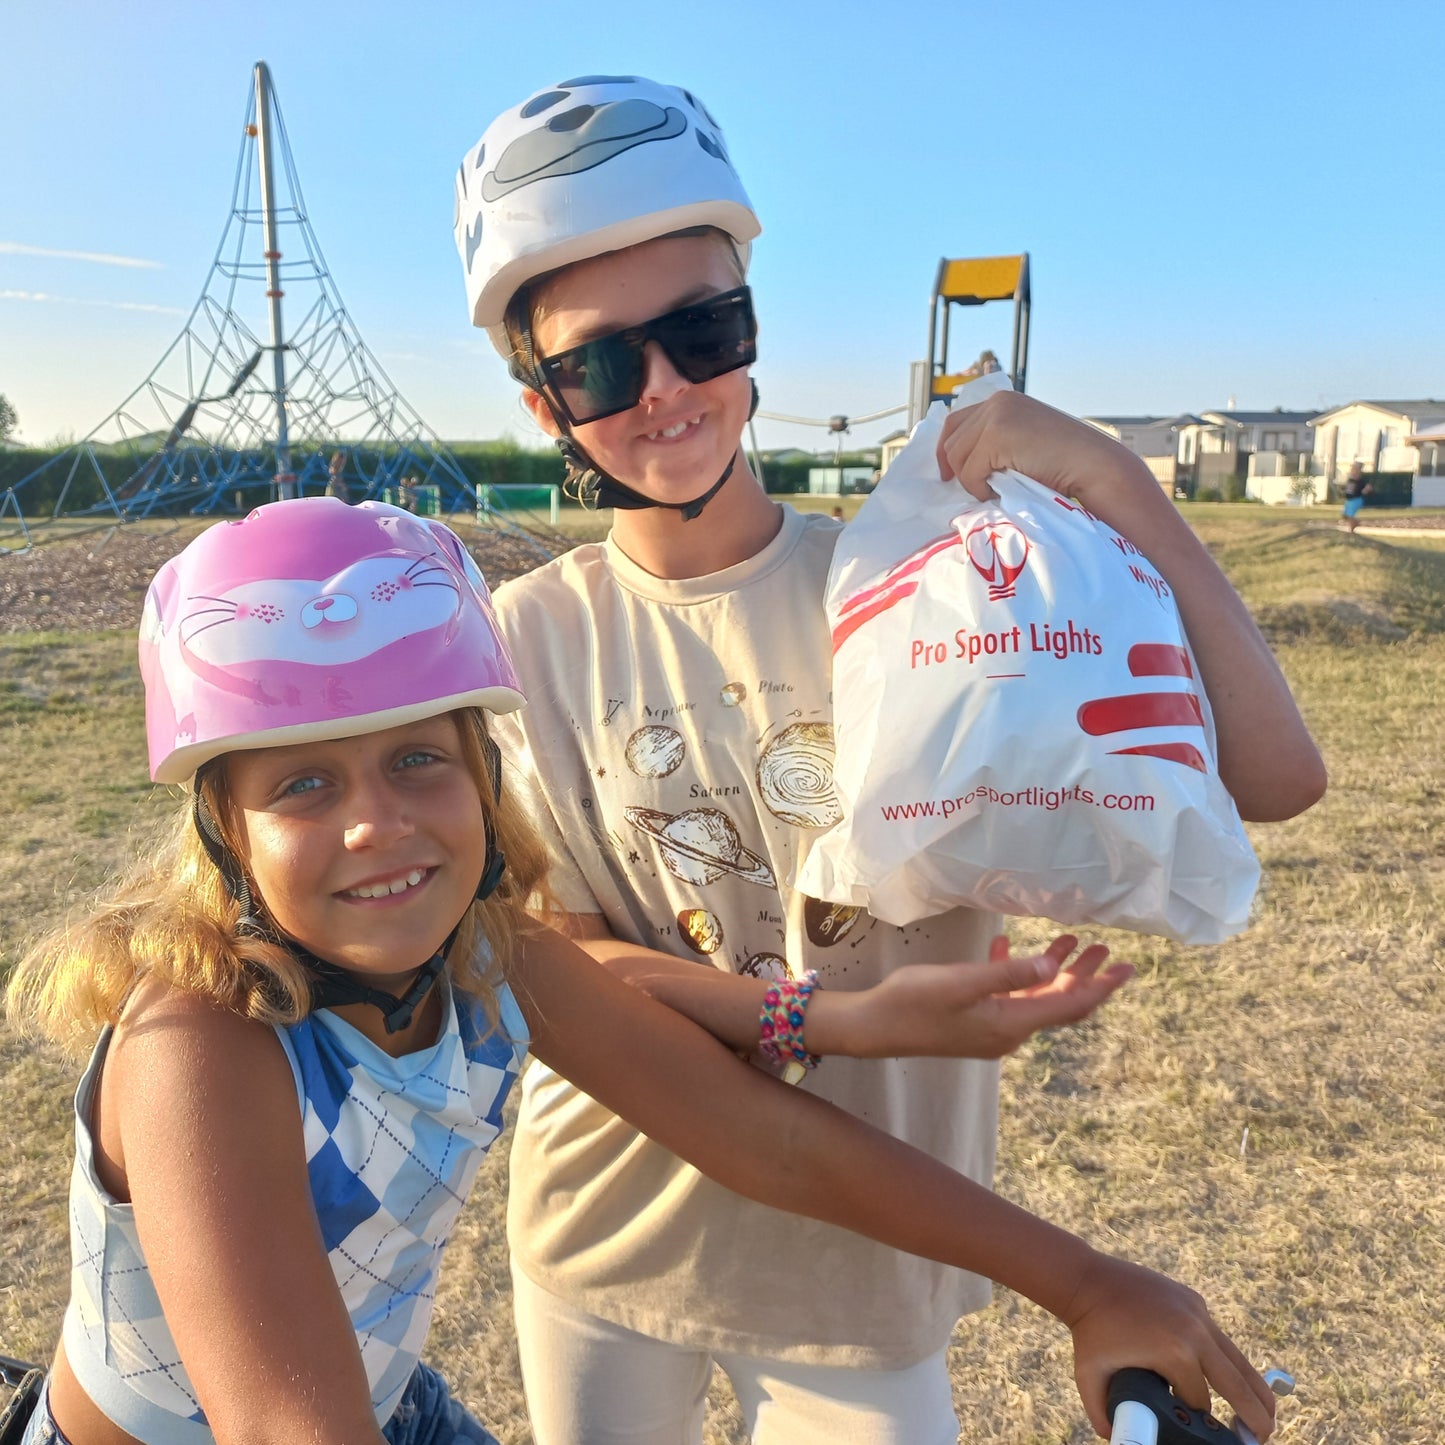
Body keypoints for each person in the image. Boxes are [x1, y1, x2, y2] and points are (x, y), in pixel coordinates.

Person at [452, 75, 1324, 1445]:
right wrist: (834, 1018)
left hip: (870, 1263)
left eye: (701, 328)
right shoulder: (519, 641)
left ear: (753, 324)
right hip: (608, 1241)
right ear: (538, 397)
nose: (665, 390)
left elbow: (1271, 779)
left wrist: (1117, 483)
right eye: (600, 364)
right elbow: (561, 951)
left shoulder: (927, 580)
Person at [4, 496, 1251, 1445]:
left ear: (486, 778)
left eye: (419, 763)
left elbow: (767, 1141)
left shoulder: (493, 956)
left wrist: (1086, 1281)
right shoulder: (199, 1046)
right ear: (224, 829)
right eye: (304, 785)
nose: (377, 822)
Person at [1340, 461, 1372, 533]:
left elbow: (1369, 487)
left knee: (1350, 515)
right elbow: (1348, 487)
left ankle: (1352, 531)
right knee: (1344, 515)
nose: (1351, 470)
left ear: (1358, 470)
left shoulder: (1360, 479)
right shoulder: (1351, 479)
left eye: (1354, 469)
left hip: (1356, 499)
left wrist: (1365, 490)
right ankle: (1356, 523)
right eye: (1352, 469)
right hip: (1349, 499)